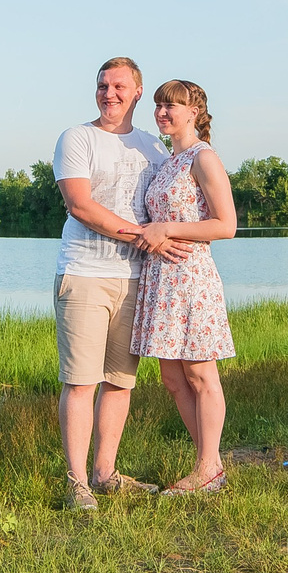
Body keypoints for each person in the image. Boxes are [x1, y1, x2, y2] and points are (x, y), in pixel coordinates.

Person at [50, 56, 186, 512]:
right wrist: (144, 236)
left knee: (120, 381)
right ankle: (77, 484)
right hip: (84, 274)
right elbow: (80, 205)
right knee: (80, 382)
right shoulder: (77, 138)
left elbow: (173, 201)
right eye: (102, 86)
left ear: (137, 92)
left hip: (135, 278)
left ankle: (105, 474)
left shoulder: (153, 146)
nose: (109, 94)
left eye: (119, 86)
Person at [130, 79, 238, 495]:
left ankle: (208, 467)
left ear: (194, 112)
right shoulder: (166, 161)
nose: (162, 112)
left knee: (200, 373)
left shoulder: (203, 157)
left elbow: (225, 225)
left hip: (192, 278)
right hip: (161, 279)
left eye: (171, 105)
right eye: (158, 105)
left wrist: (168, 229)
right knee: (172, 378)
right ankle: (209, 465)